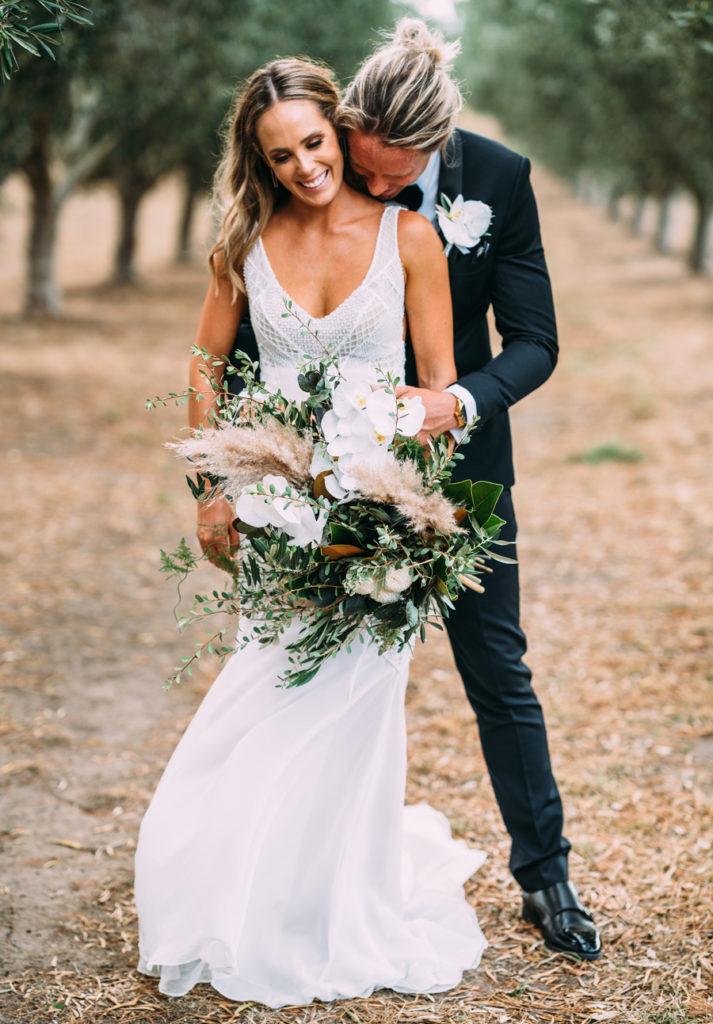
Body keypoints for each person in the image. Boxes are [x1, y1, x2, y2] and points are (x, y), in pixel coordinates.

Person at [226, 17, 602, 960]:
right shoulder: (327, 158)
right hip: (319, 483)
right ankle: (289, 883)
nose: (374, 186)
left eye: (397, 178)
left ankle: (545, 876)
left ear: (436, 146)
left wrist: (456, 405)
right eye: (365, 167)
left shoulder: (501, 180)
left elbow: (535, 341)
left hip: (459, 472)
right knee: (306, 679)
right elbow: (245, 332)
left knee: (498, 671)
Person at [134, 54, 491, 1007]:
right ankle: (233, 892)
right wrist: (211, 486)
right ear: (260, 160)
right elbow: (206, 364)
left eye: (313, 143)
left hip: (375, 520)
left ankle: (337, 903)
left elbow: (435, 390)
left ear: (341, 132)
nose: (303, 165)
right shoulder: (242, 241)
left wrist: (413, 525)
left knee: (355, 718)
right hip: (276, 513)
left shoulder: (410, 238)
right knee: (269, 690)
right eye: (280, 153)